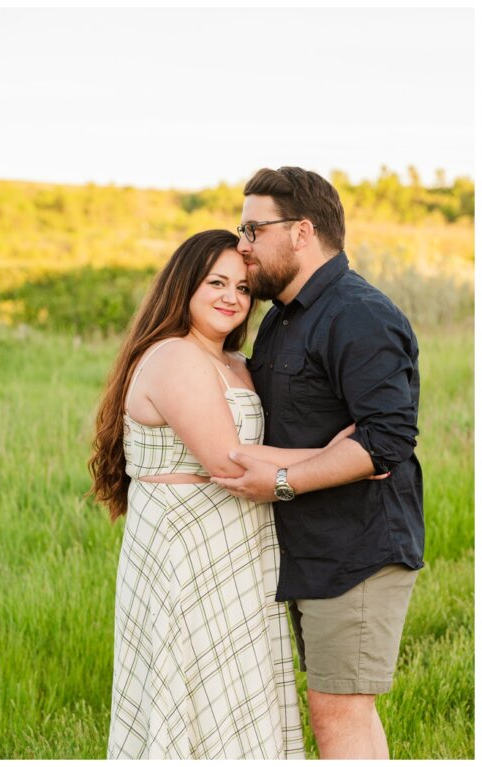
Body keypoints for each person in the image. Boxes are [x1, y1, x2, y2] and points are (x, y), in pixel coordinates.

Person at [88, 229, 373, 758]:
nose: (231, 298)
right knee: (193, 688)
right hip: (188, 546)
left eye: (243, 289)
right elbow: (228, 460)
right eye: (216, 282)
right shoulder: (174, 356)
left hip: (242, 540)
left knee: (241, 690)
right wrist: (346, 456)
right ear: (183, 287)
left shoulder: (237, 365)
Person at [211, 167, 423, 759]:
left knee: (340, 716)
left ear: (303, 231)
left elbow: (387, 440)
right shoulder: (281, 316)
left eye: (254, 229)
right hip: (305, 548)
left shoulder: (359, 314)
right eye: (241, 228)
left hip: (357, 548)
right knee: (323, 709)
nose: (243, 244)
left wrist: (281, 479)